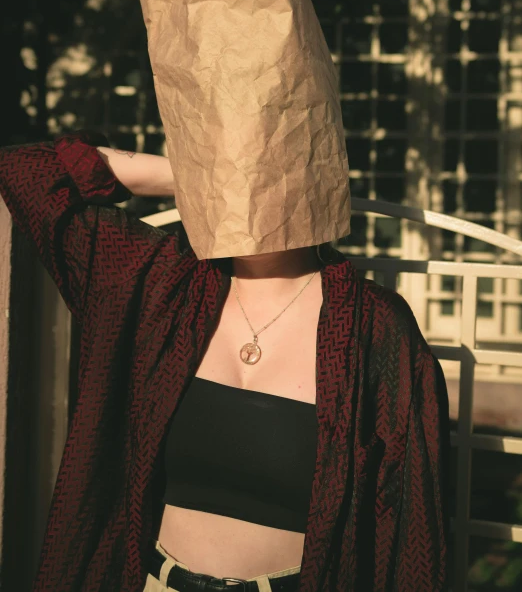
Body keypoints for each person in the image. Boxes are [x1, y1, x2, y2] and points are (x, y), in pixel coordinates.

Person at [0, 133, 451, 591]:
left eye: (268, 169)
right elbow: (25, 169)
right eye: (232, 167)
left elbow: (411, 525)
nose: (250, 185)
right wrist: (189, 176)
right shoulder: (160, 284)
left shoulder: (374, 327)